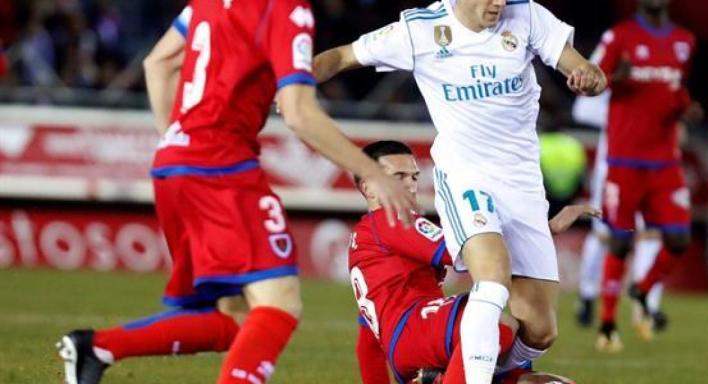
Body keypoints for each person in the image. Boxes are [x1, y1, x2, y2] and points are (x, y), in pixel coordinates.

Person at [56, 2, 415, 383]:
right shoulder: (285, 8)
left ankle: (97, 348)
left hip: (174, 163)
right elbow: (298, 113)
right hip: (221, 166)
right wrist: (371, 172)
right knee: (279, 304)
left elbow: (157, 64)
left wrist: (179, 144)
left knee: (237, 317)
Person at [313, 1, 606, 382]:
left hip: (521, 184)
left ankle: (465, 376)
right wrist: (290, 87)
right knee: (493, 276)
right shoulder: (419, 29)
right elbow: (340, 57)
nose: (499, 3)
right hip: (466, 175)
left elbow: (584, 69)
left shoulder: (528, 15)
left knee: (539, 328)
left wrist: (589, 76)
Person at [348, 140, 591, 384]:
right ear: (369, 188)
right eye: (398, 177)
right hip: (415, 332)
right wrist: (543, 230)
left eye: (414, 177)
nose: (410, 185)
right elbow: (468, 250)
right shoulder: (391, 218)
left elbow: (366, 342)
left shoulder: (365, 239)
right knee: (491, 321)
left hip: (411, 344)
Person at [589, 0, 702, 352]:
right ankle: (607, 323)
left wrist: (686, 108)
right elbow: (589, 81)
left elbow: (675, 89)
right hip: (625, 160)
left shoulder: (684, 41)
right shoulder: (618, 37)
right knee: (620, 241)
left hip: (665, 160)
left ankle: (642, 288)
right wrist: (613, 79)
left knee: (679, 239)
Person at [571, 92, 669, 338]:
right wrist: (627, 115)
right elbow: (582, 109)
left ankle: (647, 305)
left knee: (652, 233)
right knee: (606, 236)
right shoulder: (614, 69)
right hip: (615, 164)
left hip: (653, 163)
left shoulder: (664, 71)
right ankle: (588, 294)